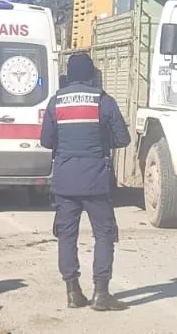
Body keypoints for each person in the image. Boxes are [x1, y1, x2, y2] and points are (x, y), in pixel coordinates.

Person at [39, 53, 131, 311]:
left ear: (68, 75)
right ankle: (101, 293)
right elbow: (122, 139)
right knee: (104, 234)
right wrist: (101, 142)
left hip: (65, 181)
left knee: (66, 236)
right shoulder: (103, 100)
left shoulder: (56, 103)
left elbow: (46, 141)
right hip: (95, 181)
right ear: (91, 74)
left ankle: (73, 292)